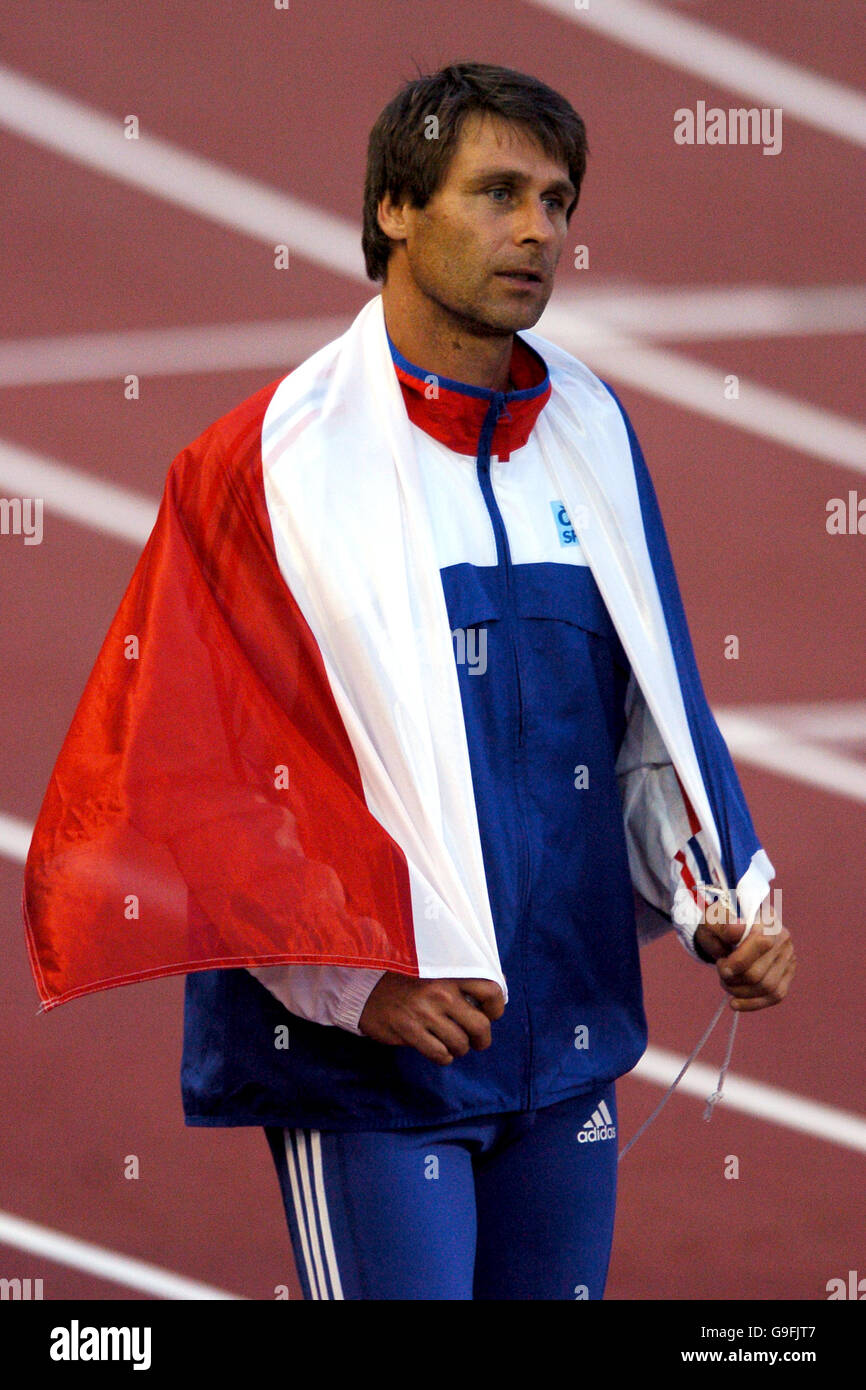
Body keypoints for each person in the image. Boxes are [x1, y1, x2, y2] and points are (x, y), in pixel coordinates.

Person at [24, 62, 795, 1301]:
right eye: (496, 193)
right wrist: (357, 981)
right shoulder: (265, 462)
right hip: (371, 1066)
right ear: (394, 206)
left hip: (565, 1043)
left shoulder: (590, 429)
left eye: (556, 200)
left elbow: (652, 703)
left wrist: (723, 893)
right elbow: (193, 774)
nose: (537, 229)